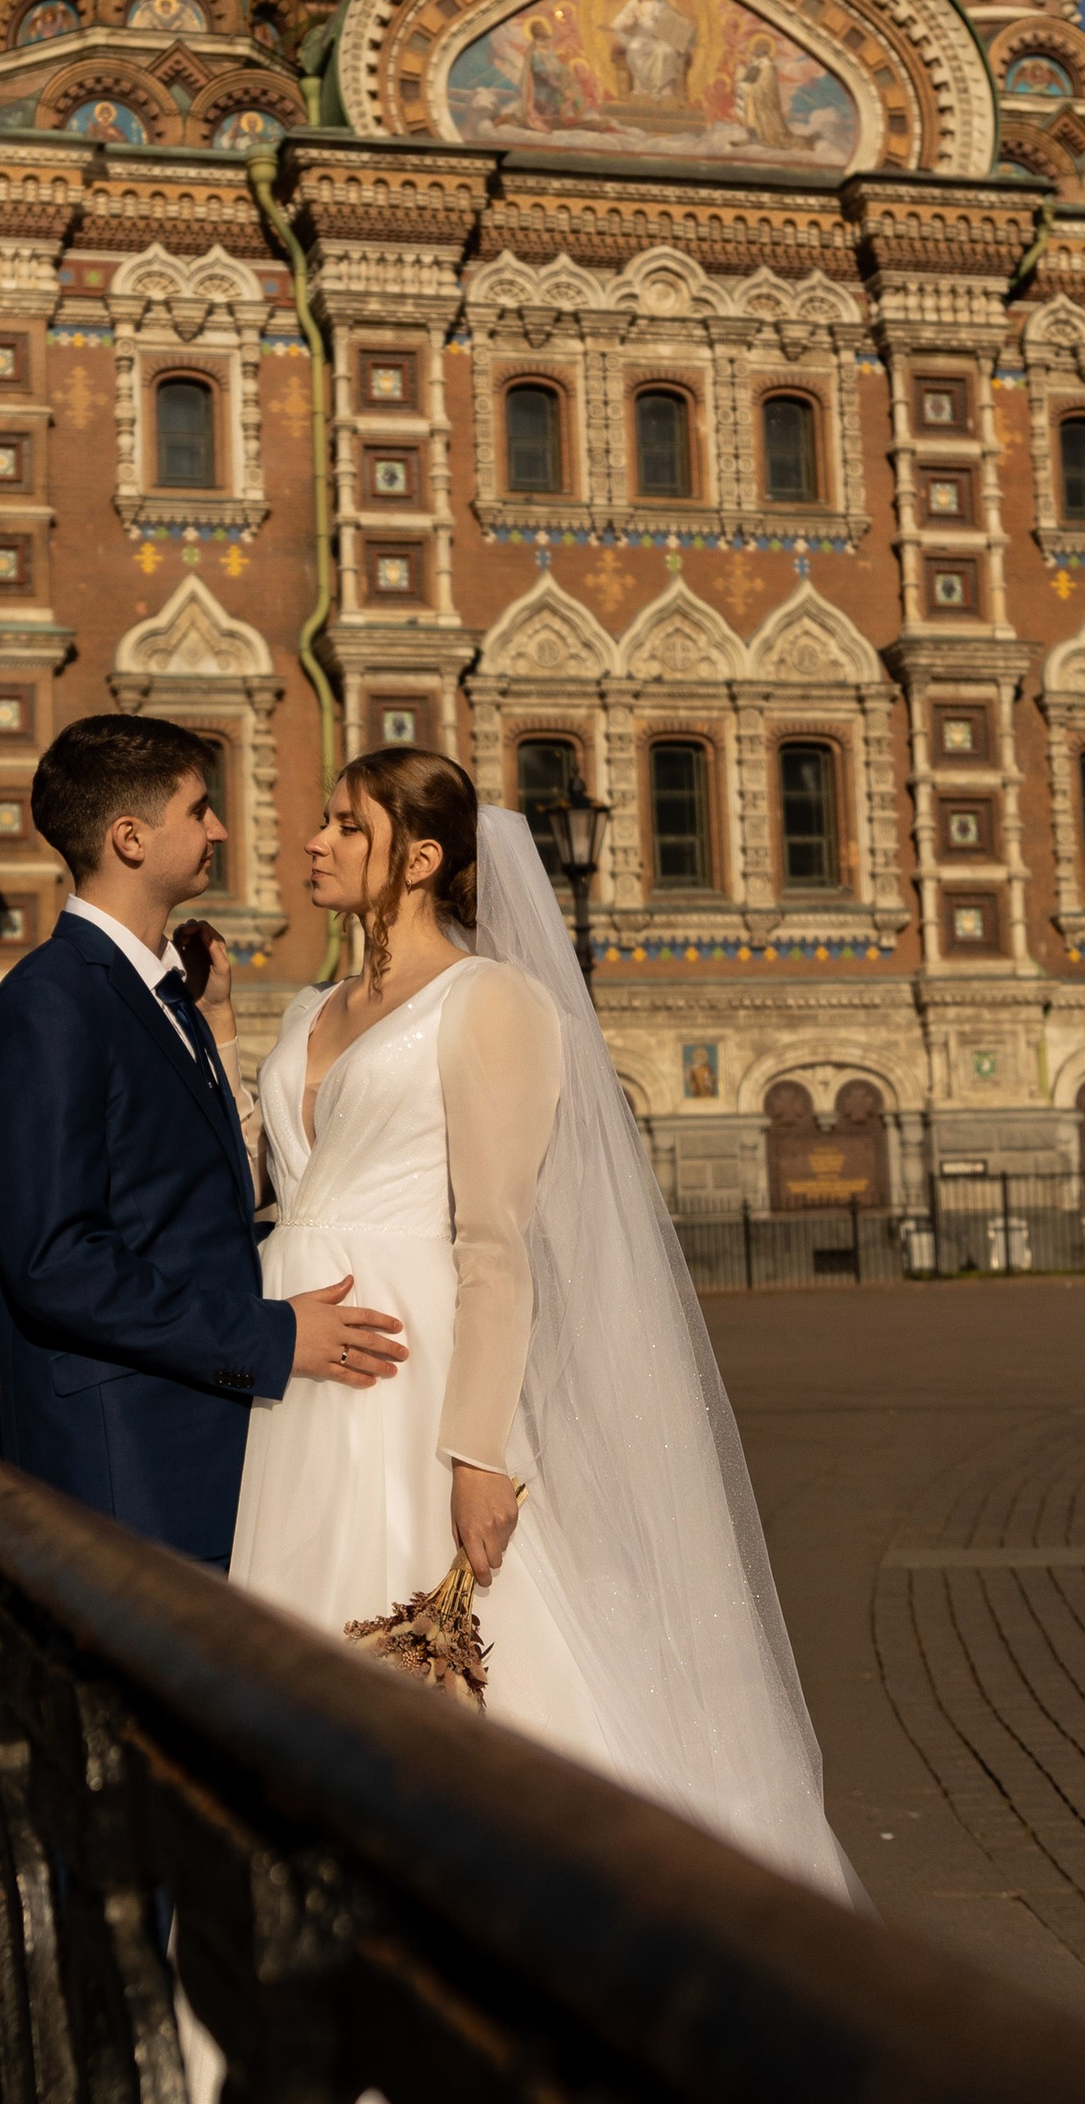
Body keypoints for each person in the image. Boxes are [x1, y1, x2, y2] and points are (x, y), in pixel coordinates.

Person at [226, 748, 861, 1906]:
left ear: (418, 860)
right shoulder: (311, 1006)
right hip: (298, 1368)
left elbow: (495, 1242)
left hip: (413, 1372)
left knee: (450, 1666)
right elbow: (284, 1181)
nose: (311, 842)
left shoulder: (491, 1003)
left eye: (343, 825)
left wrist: (480, 1452)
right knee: (300, 1648)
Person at [0, 713, 406, 1566]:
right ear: (130, 838)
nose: (221, 828)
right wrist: (273, 1338)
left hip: (192, 1449)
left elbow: (189, 1199)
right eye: (198, 809)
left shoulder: (168, 992)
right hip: (122, 1471)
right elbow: (58, 1262)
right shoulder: (51, 1003)